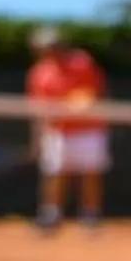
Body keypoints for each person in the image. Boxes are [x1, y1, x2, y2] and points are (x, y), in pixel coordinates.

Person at [24, 24, 109, 235]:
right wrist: (38, 138)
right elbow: (39, 109)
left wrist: (74, 106)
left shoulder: (81, 63)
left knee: (91, 173)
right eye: (43, 47)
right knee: (54, 174)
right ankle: (51, 215)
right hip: (57, 132)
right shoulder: (39, 74)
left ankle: (90, 215)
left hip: (88, 130)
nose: (49, 50)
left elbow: (90, 95)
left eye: (52, 45)